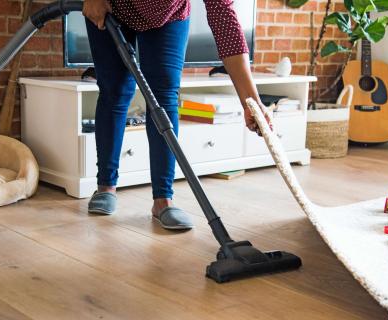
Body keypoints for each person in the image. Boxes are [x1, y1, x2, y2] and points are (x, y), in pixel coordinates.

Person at [83, 0, 272, 230]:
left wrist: (250, 101)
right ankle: (106, 186)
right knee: (115, 91)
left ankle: (163, 199)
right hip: (113, 5)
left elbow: (225, 22)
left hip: (167, 14)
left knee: (163, 96)